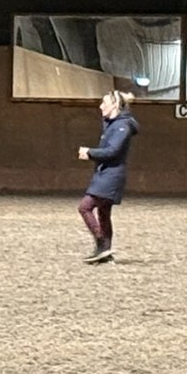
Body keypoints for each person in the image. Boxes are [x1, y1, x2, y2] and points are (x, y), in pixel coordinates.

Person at [76, 90, 140, 264]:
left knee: (85, 207)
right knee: (104, 213)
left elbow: (113, 151)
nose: (100, 106)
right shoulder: (114, 124)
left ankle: (102, 244)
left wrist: (90, 152)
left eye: (104, 103)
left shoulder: (121, 126)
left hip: (111, 176)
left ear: (114, 105)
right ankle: (105, 251)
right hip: (106, 174)